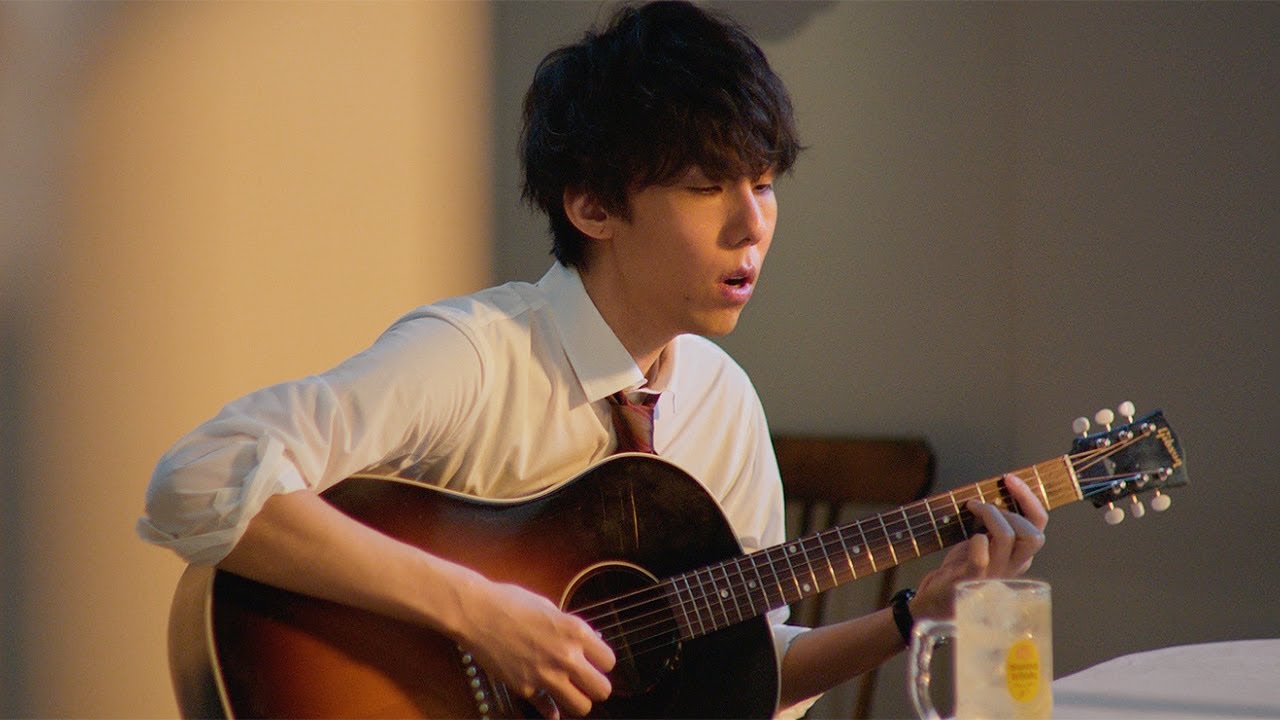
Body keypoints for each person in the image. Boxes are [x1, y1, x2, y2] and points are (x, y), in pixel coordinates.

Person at [138, 2, 1048, 717]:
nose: (753, 226)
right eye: (707, 187)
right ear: (593, 207)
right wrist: (478, 613)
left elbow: (740, 674)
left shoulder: (720, 403)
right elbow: (198, 477)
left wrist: (909, 619)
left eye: (765, 183)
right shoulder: (475, 355)